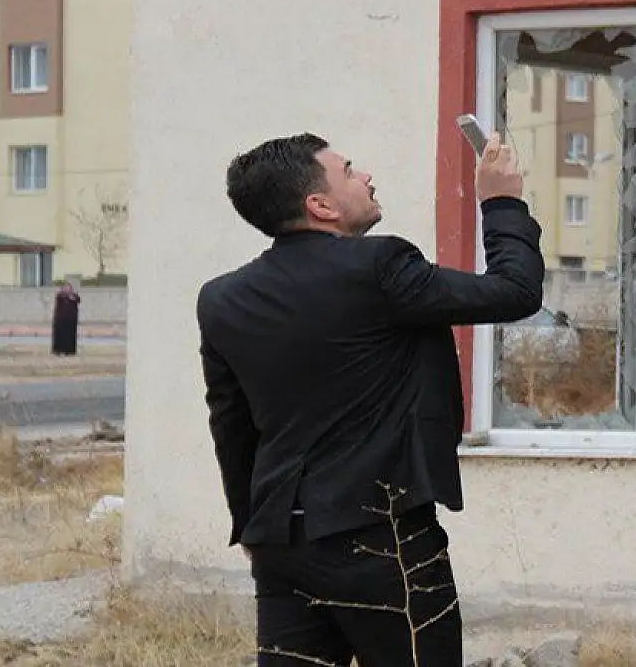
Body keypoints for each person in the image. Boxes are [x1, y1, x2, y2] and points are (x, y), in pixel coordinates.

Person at [196, 132, 543, 666]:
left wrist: (251, 523)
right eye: (350, 171)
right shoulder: (380, 267)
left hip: (282, 544)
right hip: (383, 538)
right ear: (321, 205)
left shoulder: (222, 298)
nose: (366, 177)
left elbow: (231, 426)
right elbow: (515, 291)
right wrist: (501, 202)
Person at [51, 283, 81, 356]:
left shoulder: (75, 296)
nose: (67, 290)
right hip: (60, 319)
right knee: (60, 335)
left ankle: (69, 351)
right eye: (65, 288)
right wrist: (64, 295)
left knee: (70, 336)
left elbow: (78, 300)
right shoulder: (60, 296)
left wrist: (72, 297)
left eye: (69, 288)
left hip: (71, 320)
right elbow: (58, 299)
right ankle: (58, 350)